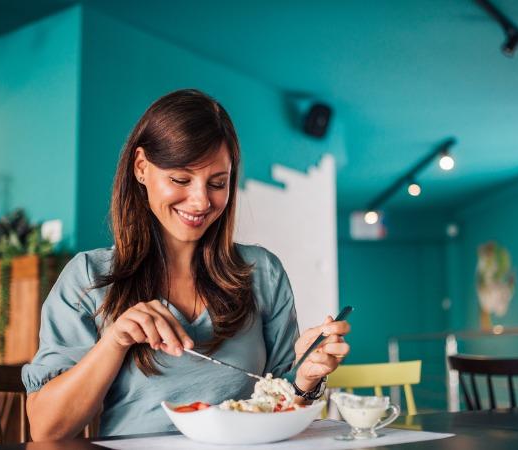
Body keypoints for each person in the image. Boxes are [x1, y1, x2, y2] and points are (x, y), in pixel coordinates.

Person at [22, 89, 350, 441]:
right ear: (141, 168)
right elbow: (46, 429)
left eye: (217, 183)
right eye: (180, 179)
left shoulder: (262, 273)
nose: (200, 201)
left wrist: (305, 379)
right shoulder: (88, 277)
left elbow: (282, 406)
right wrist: (114, 341)